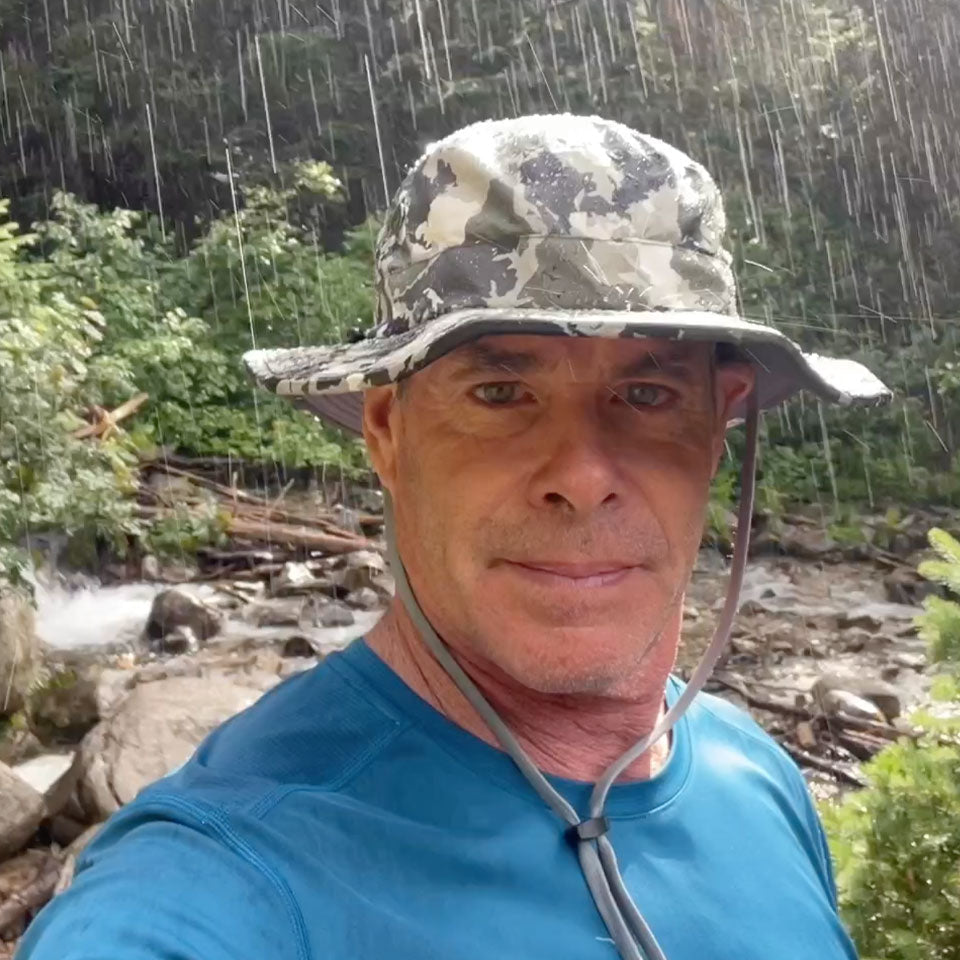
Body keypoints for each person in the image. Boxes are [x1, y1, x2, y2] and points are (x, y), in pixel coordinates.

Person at [18, 114, 891, 960]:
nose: (582, 477)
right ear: (388, 432)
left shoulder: (760, 783)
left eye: (648, 395)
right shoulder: (224, 876)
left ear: (718, 425)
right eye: (502, 394)